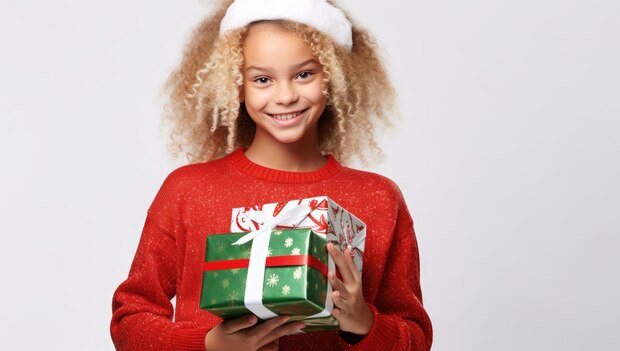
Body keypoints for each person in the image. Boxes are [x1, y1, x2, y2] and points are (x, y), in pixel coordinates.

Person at [110, 0, 433, 350]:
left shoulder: (379, 198)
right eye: (262, 79)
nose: (285, 96)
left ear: (336, 75)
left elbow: (415, 337)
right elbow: (131, 321)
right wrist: (206, 345)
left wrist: (364, 324)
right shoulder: (187, 190)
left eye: (304, 74)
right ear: (235, 85)